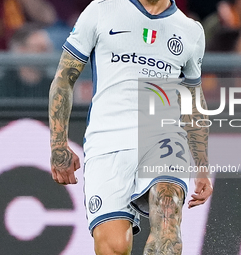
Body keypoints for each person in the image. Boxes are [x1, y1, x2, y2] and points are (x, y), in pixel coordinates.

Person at [49, 0, 213, 254]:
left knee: (167, 217)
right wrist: (58, 144)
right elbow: (63, 79)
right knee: (114, 247)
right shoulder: (101, 10)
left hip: (164, 138)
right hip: (107, 141)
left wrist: (201, 164)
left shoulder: (190, 30)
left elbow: (193, 100)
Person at [0, 23, 53, 98]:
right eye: (40, 48)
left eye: (47, 49)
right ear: (22, 50)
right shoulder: (3, 84)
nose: (47, 54)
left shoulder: (55, 84)